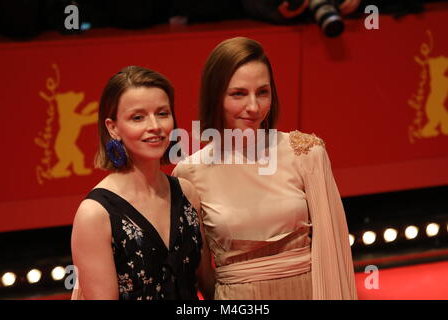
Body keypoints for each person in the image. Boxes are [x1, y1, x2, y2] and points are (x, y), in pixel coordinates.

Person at [172, 37, 357, 299]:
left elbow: (333, 252)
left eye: (262, 92)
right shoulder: (189, 173)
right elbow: (200, 274)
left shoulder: (306, 152)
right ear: (215, 97)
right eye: (238, 94)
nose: (253, 107)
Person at [70, 66, 214, 300]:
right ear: (113, 127)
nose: (155, 126)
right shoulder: (95, 214)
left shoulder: (187, 192)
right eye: (138, 117)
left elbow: (207, 282)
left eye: (162, 113)